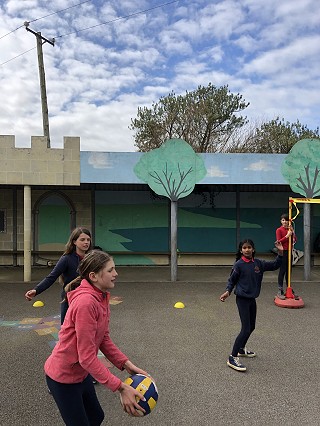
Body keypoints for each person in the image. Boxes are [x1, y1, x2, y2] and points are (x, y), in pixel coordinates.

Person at [45, 250, 150, 425]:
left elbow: (103, 338)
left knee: (96, 417)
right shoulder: (86, 303)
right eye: (110, 270)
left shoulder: (100, 296)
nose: (116, 274)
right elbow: (86, 357)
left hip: (80, 373)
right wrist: (121, 387)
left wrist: (127, 365)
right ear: (93, 276)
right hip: (62, 377)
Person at [219, 238, 283, 372]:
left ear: (253, 249)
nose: (247, 250)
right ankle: (232, 357)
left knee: (252, 326)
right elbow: (232, 280)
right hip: (242, 299)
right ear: (241, 250)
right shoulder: (239, 265)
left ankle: (241, 349)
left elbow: (276, 265)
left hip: (252, 299)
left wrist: (281, 252)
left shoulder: (259, 263)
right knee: (246, 329)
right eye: (244, 248)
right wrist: (227, 291)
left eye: (249, 247)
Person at [25, 227, 92, 324]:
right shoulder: (66, 259)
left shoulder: (92, 258)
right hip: (69, 298)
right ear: (74, 242)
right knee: (66, 329)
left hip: (87, 299)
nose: (86, 242)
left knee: (86, 329)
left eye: (88, 240)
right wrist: (36, 290)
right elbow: (51, 277)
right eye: (82, 240)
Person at [275, 213, 297, 299]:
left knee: (289, 271)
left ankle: (289, 288)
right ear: (281, 221)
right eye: (283, 220)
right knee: (283, 270)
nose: (285, 222)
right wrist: (287, 236)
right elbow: (278, 242)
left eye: (286, 220)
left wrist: (293, 232)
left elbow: (295, 240)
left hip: (289, 251)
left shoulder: (290, 229)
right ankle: (280, 289)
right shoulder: (279, 230)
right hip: (283, 252)